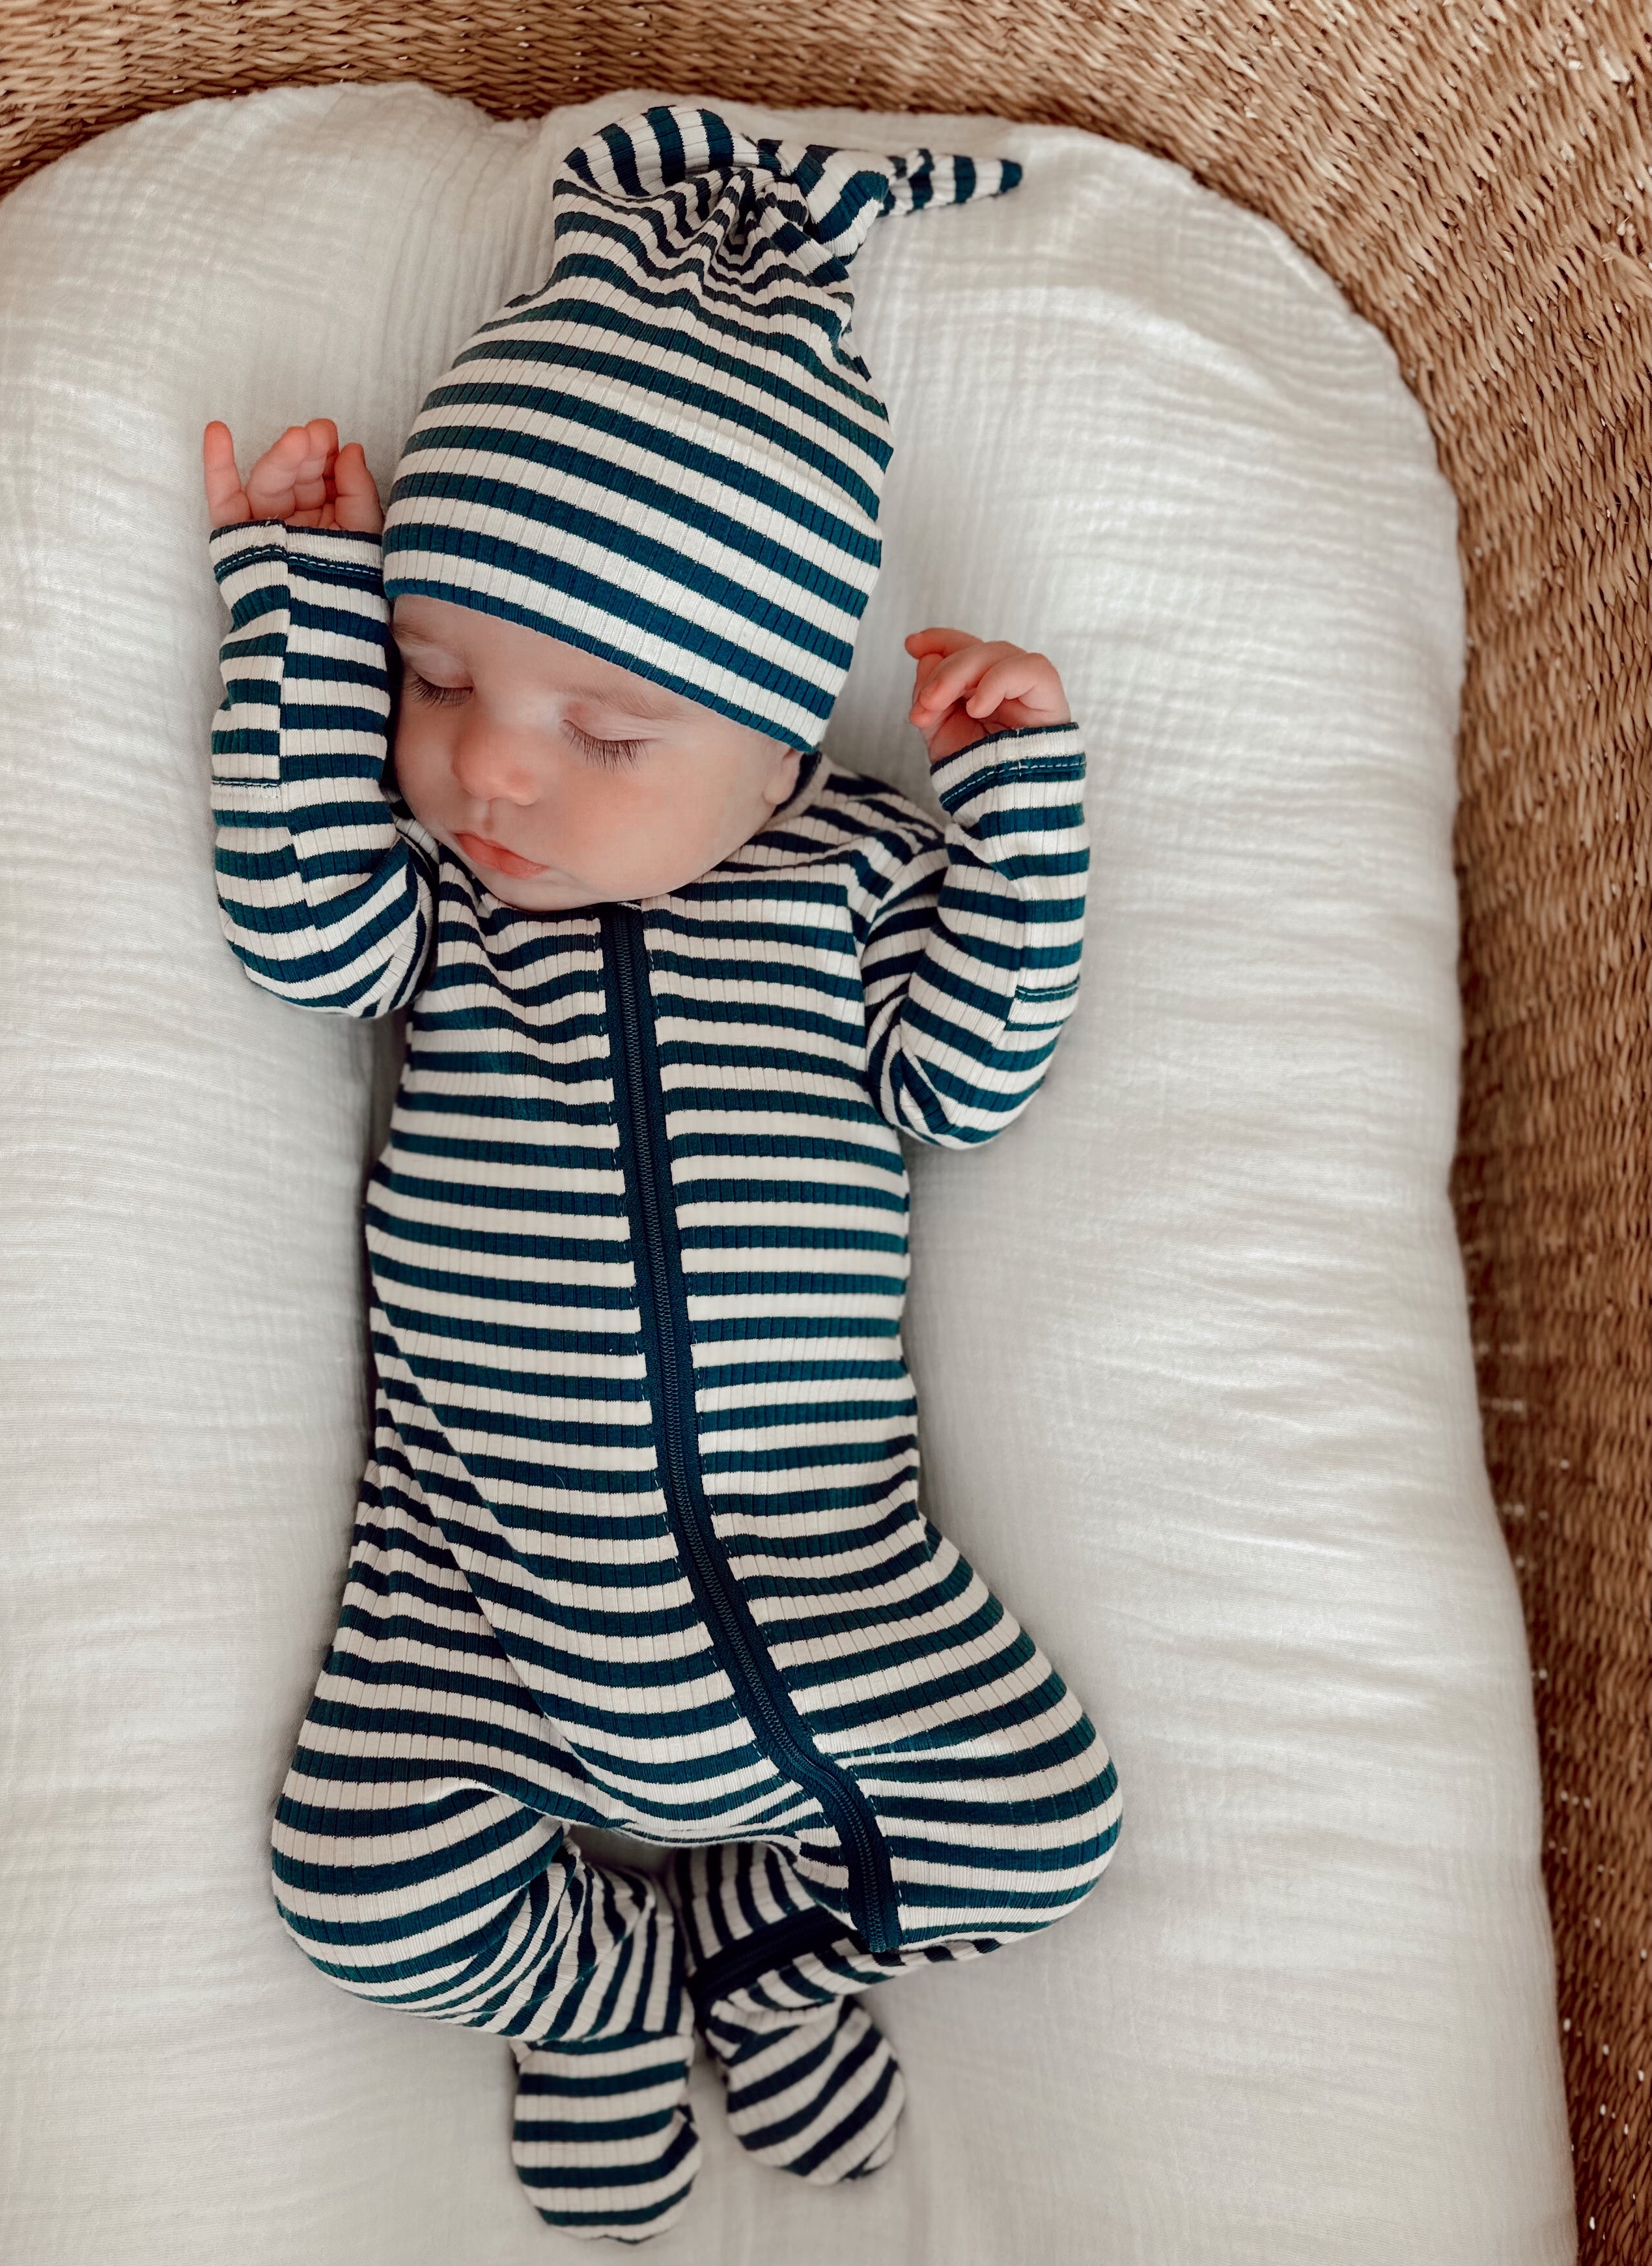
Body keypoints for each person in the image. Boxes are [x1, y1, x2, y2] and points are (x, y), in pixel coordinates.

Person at [201, 102, 1120, 2244]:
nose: (491, 763)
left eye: (606, 733)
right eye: (437, 677)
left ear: (786, 741)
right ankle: (601, 1993)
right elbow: (286, 909)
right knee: (355, 1884)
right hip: (475, 1599)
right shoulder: (440, 911)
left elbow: (972, 1078)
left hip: (833, 1576)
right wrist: (298, 605)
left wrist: (1020, 801)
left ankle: (786, 1946)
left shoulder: (850, 882)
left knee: (1043, 1820)